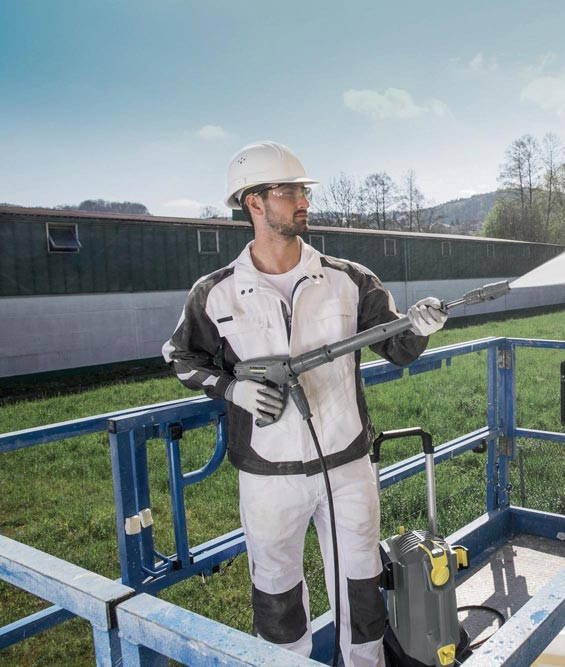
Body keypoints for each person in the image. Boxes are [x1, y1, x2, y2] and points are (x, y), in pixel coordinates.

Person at [162, 141, 447, 666]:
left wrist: (422, 326)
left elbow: (400, 348)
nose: (304, 201)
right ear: (254, 202)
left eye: (303, 191)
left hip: (347, 466)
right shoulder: (215, 292)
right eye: (289, 192)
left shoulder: (348, 279)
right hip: (267, 477)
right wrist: (233, 389)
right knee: (276, 596)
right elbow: (180, 357)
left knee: (362, 588)